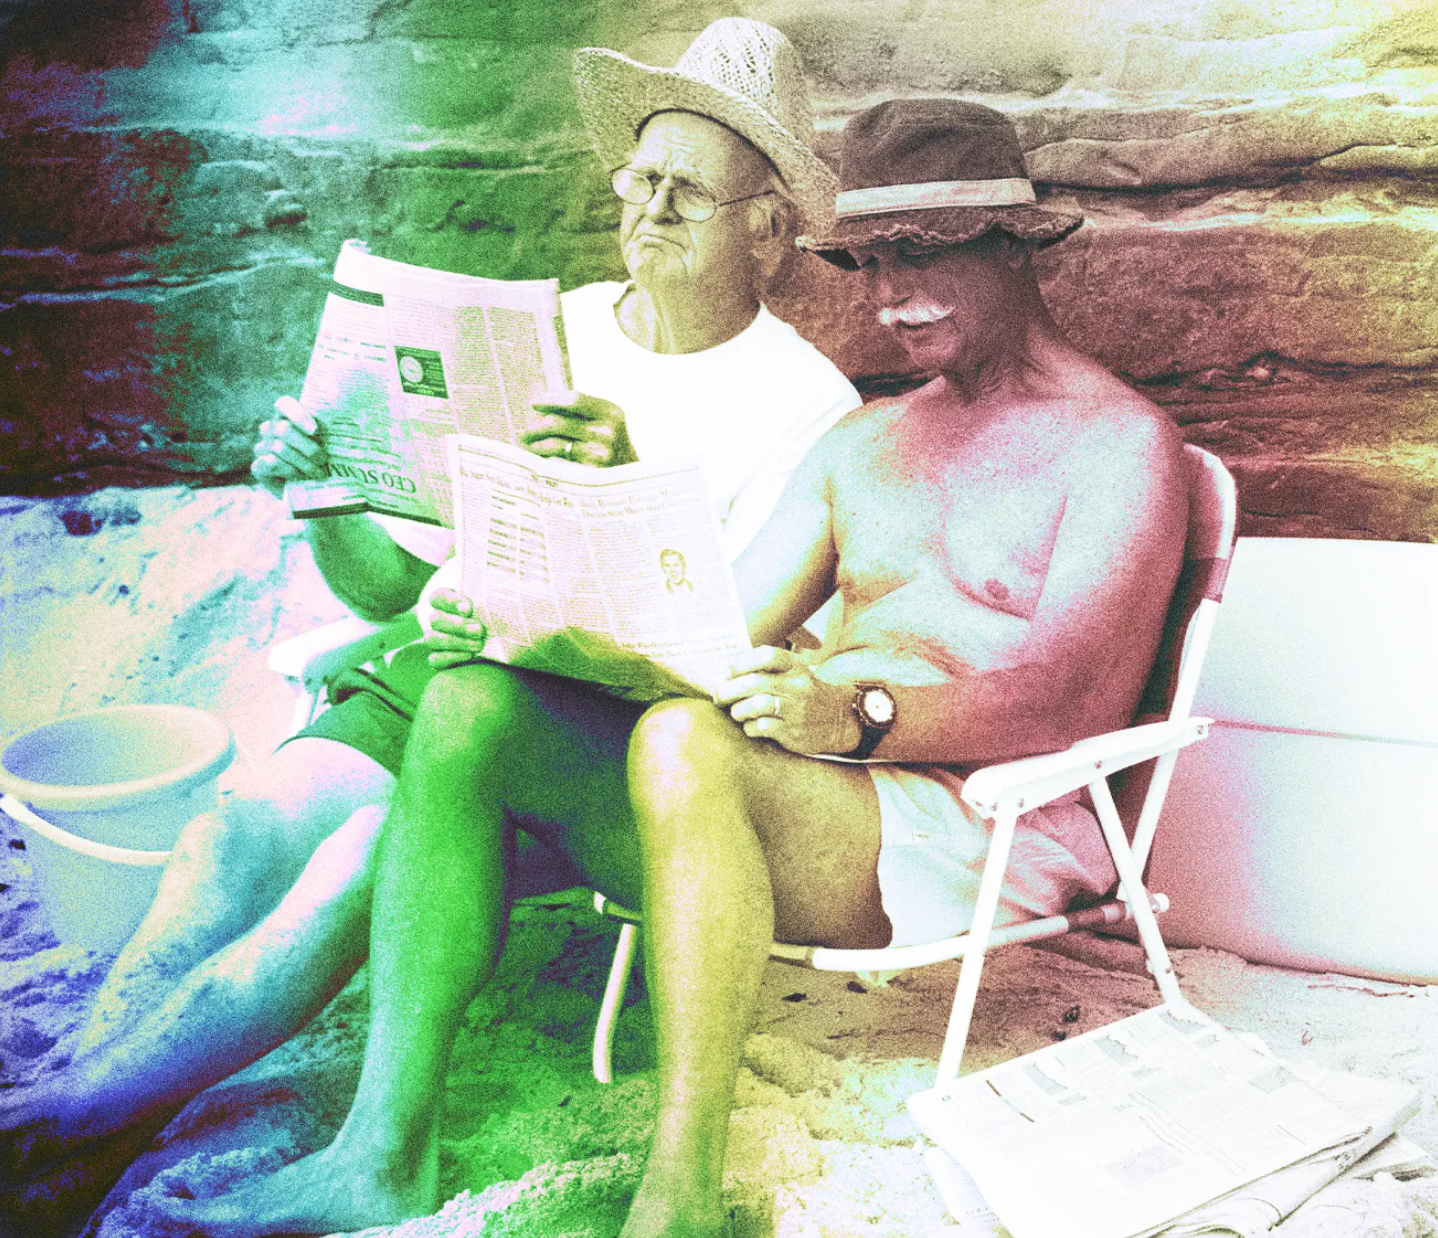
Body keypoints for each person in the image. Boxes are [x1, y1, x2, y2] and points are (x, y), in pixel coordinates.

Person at [0, 18, 858, 1232]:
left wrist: (617, 487)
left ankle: (64, 1123)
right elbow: (386, 593)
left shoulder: (807, 406)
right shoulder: (552, 328)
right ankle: (84, 1126)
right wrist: (325, 494)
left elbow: (726, 655)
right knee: (225, 835)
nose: (649, 207)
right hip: (440, 662)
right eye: (639, 177)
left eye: (687, 191)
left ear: (766, 229)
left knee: (346, 870)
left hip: (569, 720)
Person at [612, 98, 1190, 1237]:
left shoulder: (1118, 442)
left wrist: (859, 713)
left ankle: (678, 1195)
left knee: (683, 740)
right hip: (825, 786)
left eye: (922, 252)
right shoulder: (863, 443)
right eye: (870, 260)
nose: (888, 293)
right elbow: (714, 629)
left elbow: (1073, 701)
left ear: (1014, 246)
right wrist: (577, 562)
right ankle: (384, 1148)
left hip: (984, 820)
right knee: (475, 710)